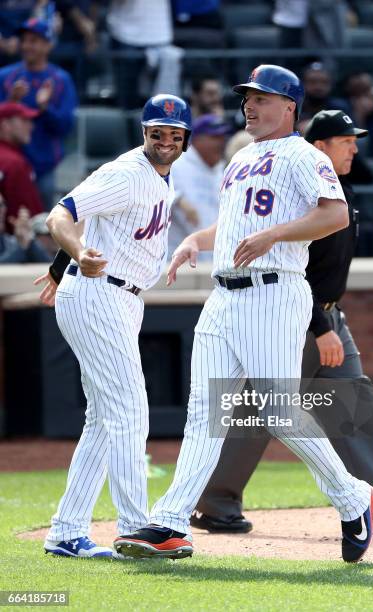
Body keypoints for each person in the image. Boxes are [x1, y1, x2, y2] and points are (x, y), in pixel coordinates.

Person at [113, 65, 373, 564]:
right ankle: (170, 523)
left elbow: (335, 213)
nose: (250, 106)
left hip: (274, 292)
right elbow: (236, 225)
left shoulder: (302, 154)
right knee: (203, 413)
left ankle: (351, 497)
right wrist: (196, 239)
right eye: (248, 98)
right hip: (225, 296)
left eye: (262, 98)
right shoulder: (243, 155)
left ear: (290, 107)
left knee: (279, 409)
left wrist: (276, 235)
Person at [189, 108, 373, 537]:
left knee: (351, 402)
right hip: (298, 317)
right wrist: (321, 328)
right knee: (261, 413)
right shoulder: (304, 199)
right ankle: (216, 503)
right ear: (319, 147)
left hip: (330, 314)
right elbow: (300, 272)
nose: (354, 147)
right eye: (345, 140)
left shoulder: (340, 192)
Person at [33, 94, 192, 558]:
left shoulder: (163, 177)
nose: (164, 141)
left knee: (104, 420)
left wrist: (65, 263)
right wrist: (77, 254)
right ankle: (136, 526)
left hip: (119, 297)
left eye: (173, 134)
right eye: (156, 132)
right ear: (143, 132)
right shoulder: (126, 173)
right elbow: (60, 214)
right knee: (129, 409)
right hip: (99, 294)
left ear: (184, 139)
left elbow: (102, 221)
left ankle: (66, 531)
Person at [0, 17, 77, 210]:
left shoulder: (60, 80)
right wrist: (11, 101)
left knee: (42, 223)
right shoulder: (5, 76)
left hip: (44, 166)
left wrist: (45, 108)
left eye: (34, 41)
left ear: (48, 45)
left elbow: (65, 127)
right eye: (24, 40)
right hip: (8, 164)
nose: (27, 46)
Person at [169, 113, 231, 258]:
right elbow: (149, 192)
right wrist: (178, 199)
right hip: (177, 260)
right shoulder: (175, 164)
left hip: (213, 260)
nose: (221, 143)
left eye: (223, 137)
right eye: (215, 137)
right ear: (196, 140)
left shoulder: (224, 170)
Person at [0, 101, 44, 232]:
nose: (31, 126)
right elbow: (30, 217)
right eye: (24, 121)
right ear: (5, 125)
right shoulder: (14, 163)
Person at [0, 199, 50, 263]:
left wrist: (28, 239)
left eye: (2, 205)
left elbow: (48, 266)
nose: (1, 210)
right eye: (48, 235)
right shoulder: (16, 244)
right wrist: (21, 247)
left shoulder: (9, 241)